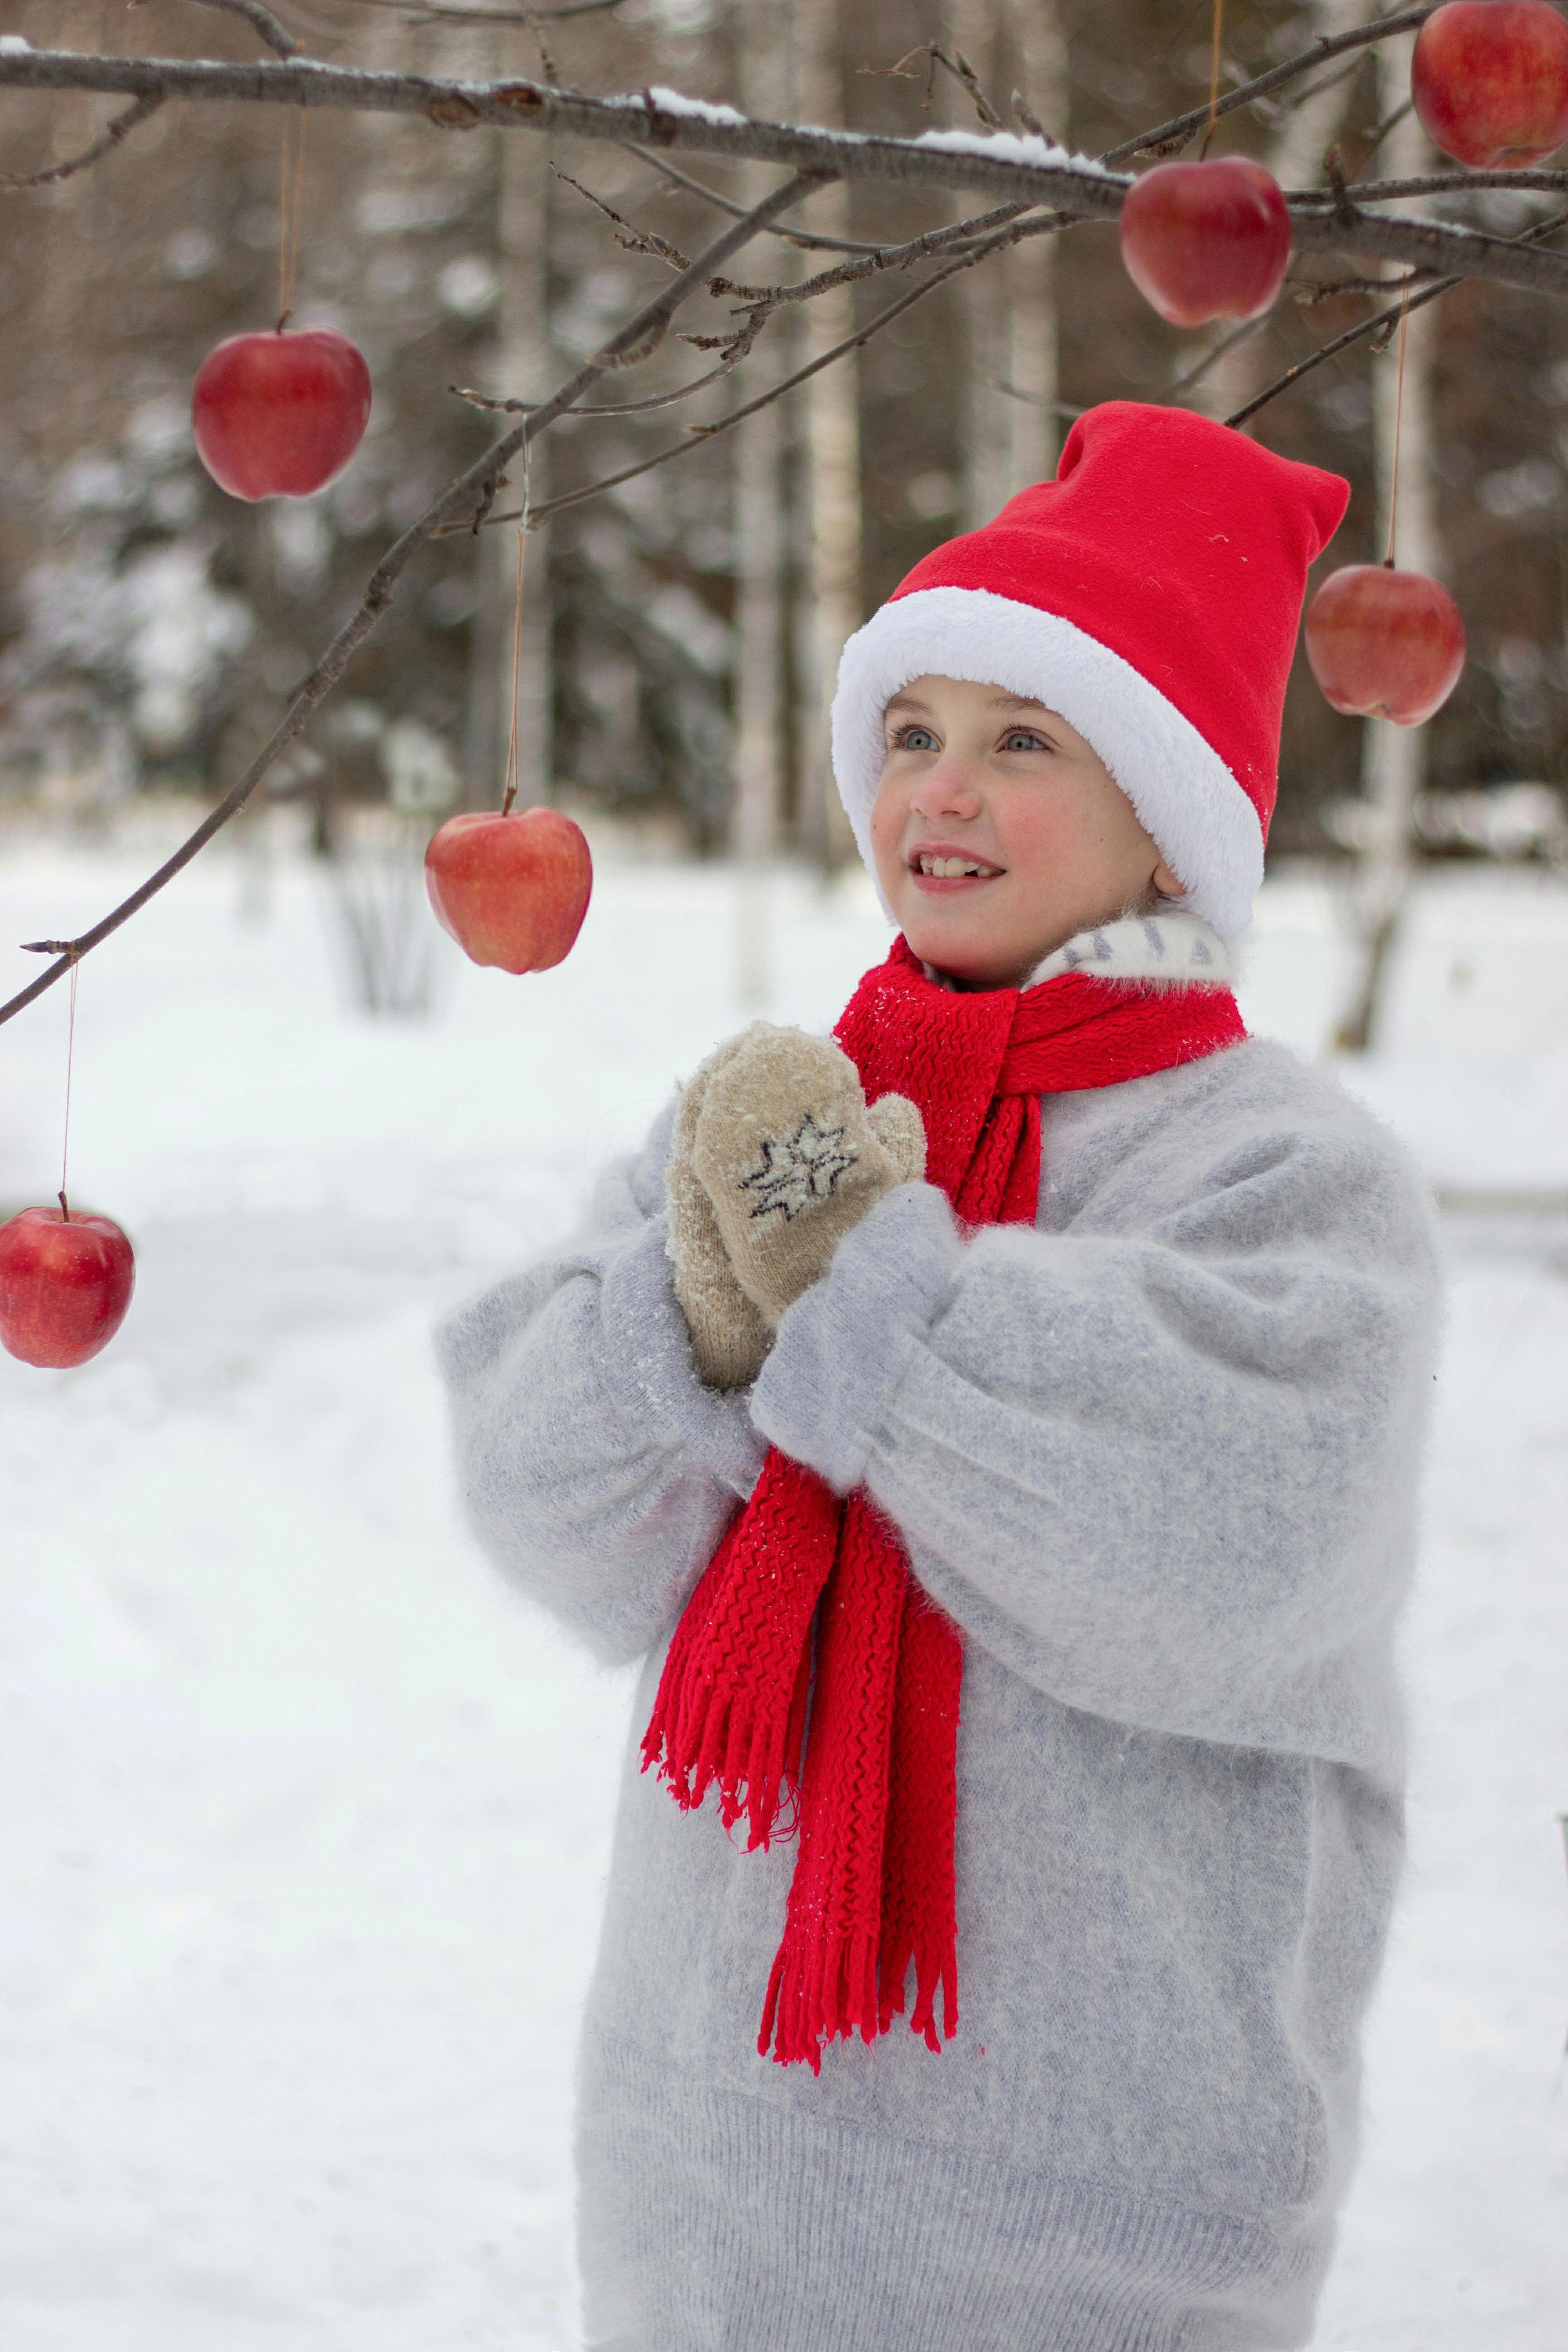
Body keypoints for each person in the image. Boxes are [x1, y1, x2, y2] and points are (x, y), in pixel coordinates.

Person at [435, 401, 1441, 2350]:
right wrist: (699, 1334)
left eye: (1023, 740)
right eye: (912, 733)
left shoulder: (1275, 1174)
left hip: (1103, 2195)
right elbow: (543, 1512)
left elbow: (1228, 1538)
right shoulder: (779, 1118)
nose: (942, 791)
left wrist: (862, 1302)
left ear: (1168, 813)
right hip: (707, 2167)